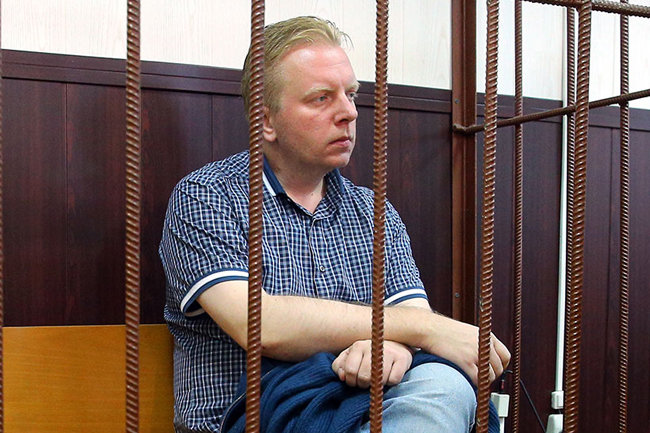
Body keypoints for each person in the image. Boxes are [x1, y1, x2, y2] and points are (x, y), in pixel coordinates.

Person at [159, 16, 510, 433]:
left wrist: (393, 347)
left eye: (351, 94)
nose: (348, 112)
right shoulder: (207, 196)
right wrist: (423, 329)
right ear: (265, 121)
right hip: (250, 420)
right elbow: (261, 324)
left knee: (446, 384)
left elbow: (410, 315)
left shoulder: (373, 211)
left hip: (365, 413)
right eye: (321, 98)